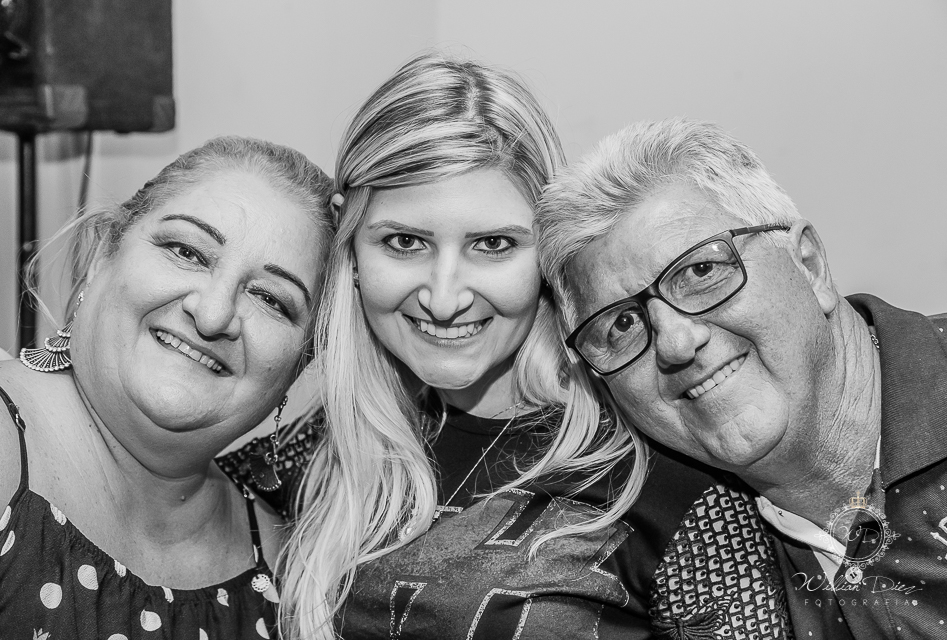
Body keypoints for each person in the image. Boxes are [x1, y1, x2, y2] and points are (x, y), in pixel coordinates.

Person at [222, 55, 792, 640]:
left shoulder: (664, 467)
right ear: (351, 248)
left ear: (547, 251)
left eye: (492, 244)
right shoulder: (321, 448)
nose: (444, 299)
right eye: (405, 242)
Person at [536, 117, 947, 640]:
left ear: (809, 265)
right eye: (621, 324)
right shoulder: (686, 560)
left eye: (700, 271)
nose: (676, 343)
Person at [0, 136, 334, 639]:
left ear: (301, 363)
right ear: (101, 253)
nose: (213, 314)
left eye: (270, 299)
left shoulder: (289, 565)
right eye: (187, 252)